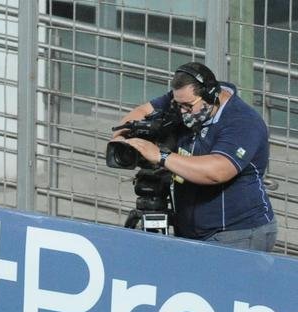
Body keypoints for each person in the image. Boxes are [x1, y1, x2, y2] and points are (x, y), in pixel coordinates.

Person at [112, 61, 277, 251]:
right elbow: (141, 112)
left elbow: (217, 171)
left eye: (188, 107)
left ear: (210, 95)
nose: (182, 113)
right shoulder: (183, 101)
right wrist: (122, 140)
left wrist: (161, 156)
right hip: (192, 230)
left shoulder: (242, 122)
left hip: (237, 233)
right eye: (178, 105)